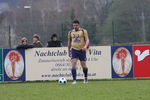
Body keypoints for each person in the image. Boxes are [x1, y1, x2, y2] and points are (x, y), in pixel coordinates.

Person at [68, 20, 90, 84]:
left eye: (76, 25)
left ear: (79, 25)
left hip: (82, 50)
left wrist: (85, 46)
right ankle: (74, 80)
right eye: (74, 25)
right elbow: (69, 42)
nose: (75, 26)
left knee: (83, 65)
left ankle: (85, 78)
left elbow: (87, 40)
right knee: (73, 63)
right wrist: (68, 51)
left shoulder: (83, 31)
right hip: (74, 49)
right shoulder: (70, 32)